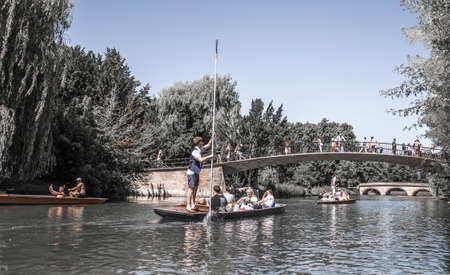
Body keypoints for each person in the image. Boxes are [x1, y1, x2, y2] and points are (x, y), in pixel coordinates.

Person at [186, 135, 214, 211]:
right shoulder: (195, 151)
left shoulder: (200, 149)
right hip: (191, 172)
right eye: (202, 141)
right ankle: (188, 205)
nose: (203, 142)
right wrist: (209, 156)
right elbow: (200, 160)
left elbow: (208, 145)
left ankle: (193, 204)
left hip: (196, 172)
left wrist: (212, 137)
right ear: (199, 143)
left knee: (195, 189)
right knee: (191, 189)